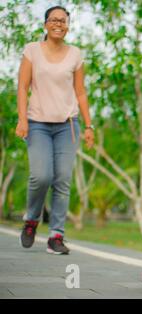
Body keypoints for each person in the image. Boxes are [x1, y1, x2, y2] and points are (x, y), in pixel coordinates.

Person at [16, 5, 94, 255]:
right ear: (45, 24)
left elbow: (80, 91)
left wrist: (89, 124)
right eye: (54, 19)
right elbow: (22, 87)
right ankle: (31, 219)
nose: (59, 23)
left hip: (67, 125)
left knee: (62, 180)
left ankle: (56, 236)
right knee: (41, 176)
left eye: (63, 20)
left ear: (68, 25)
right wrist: (22, 119)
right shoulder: (32, 51)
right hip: (37, 122)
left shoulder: (75, 55)